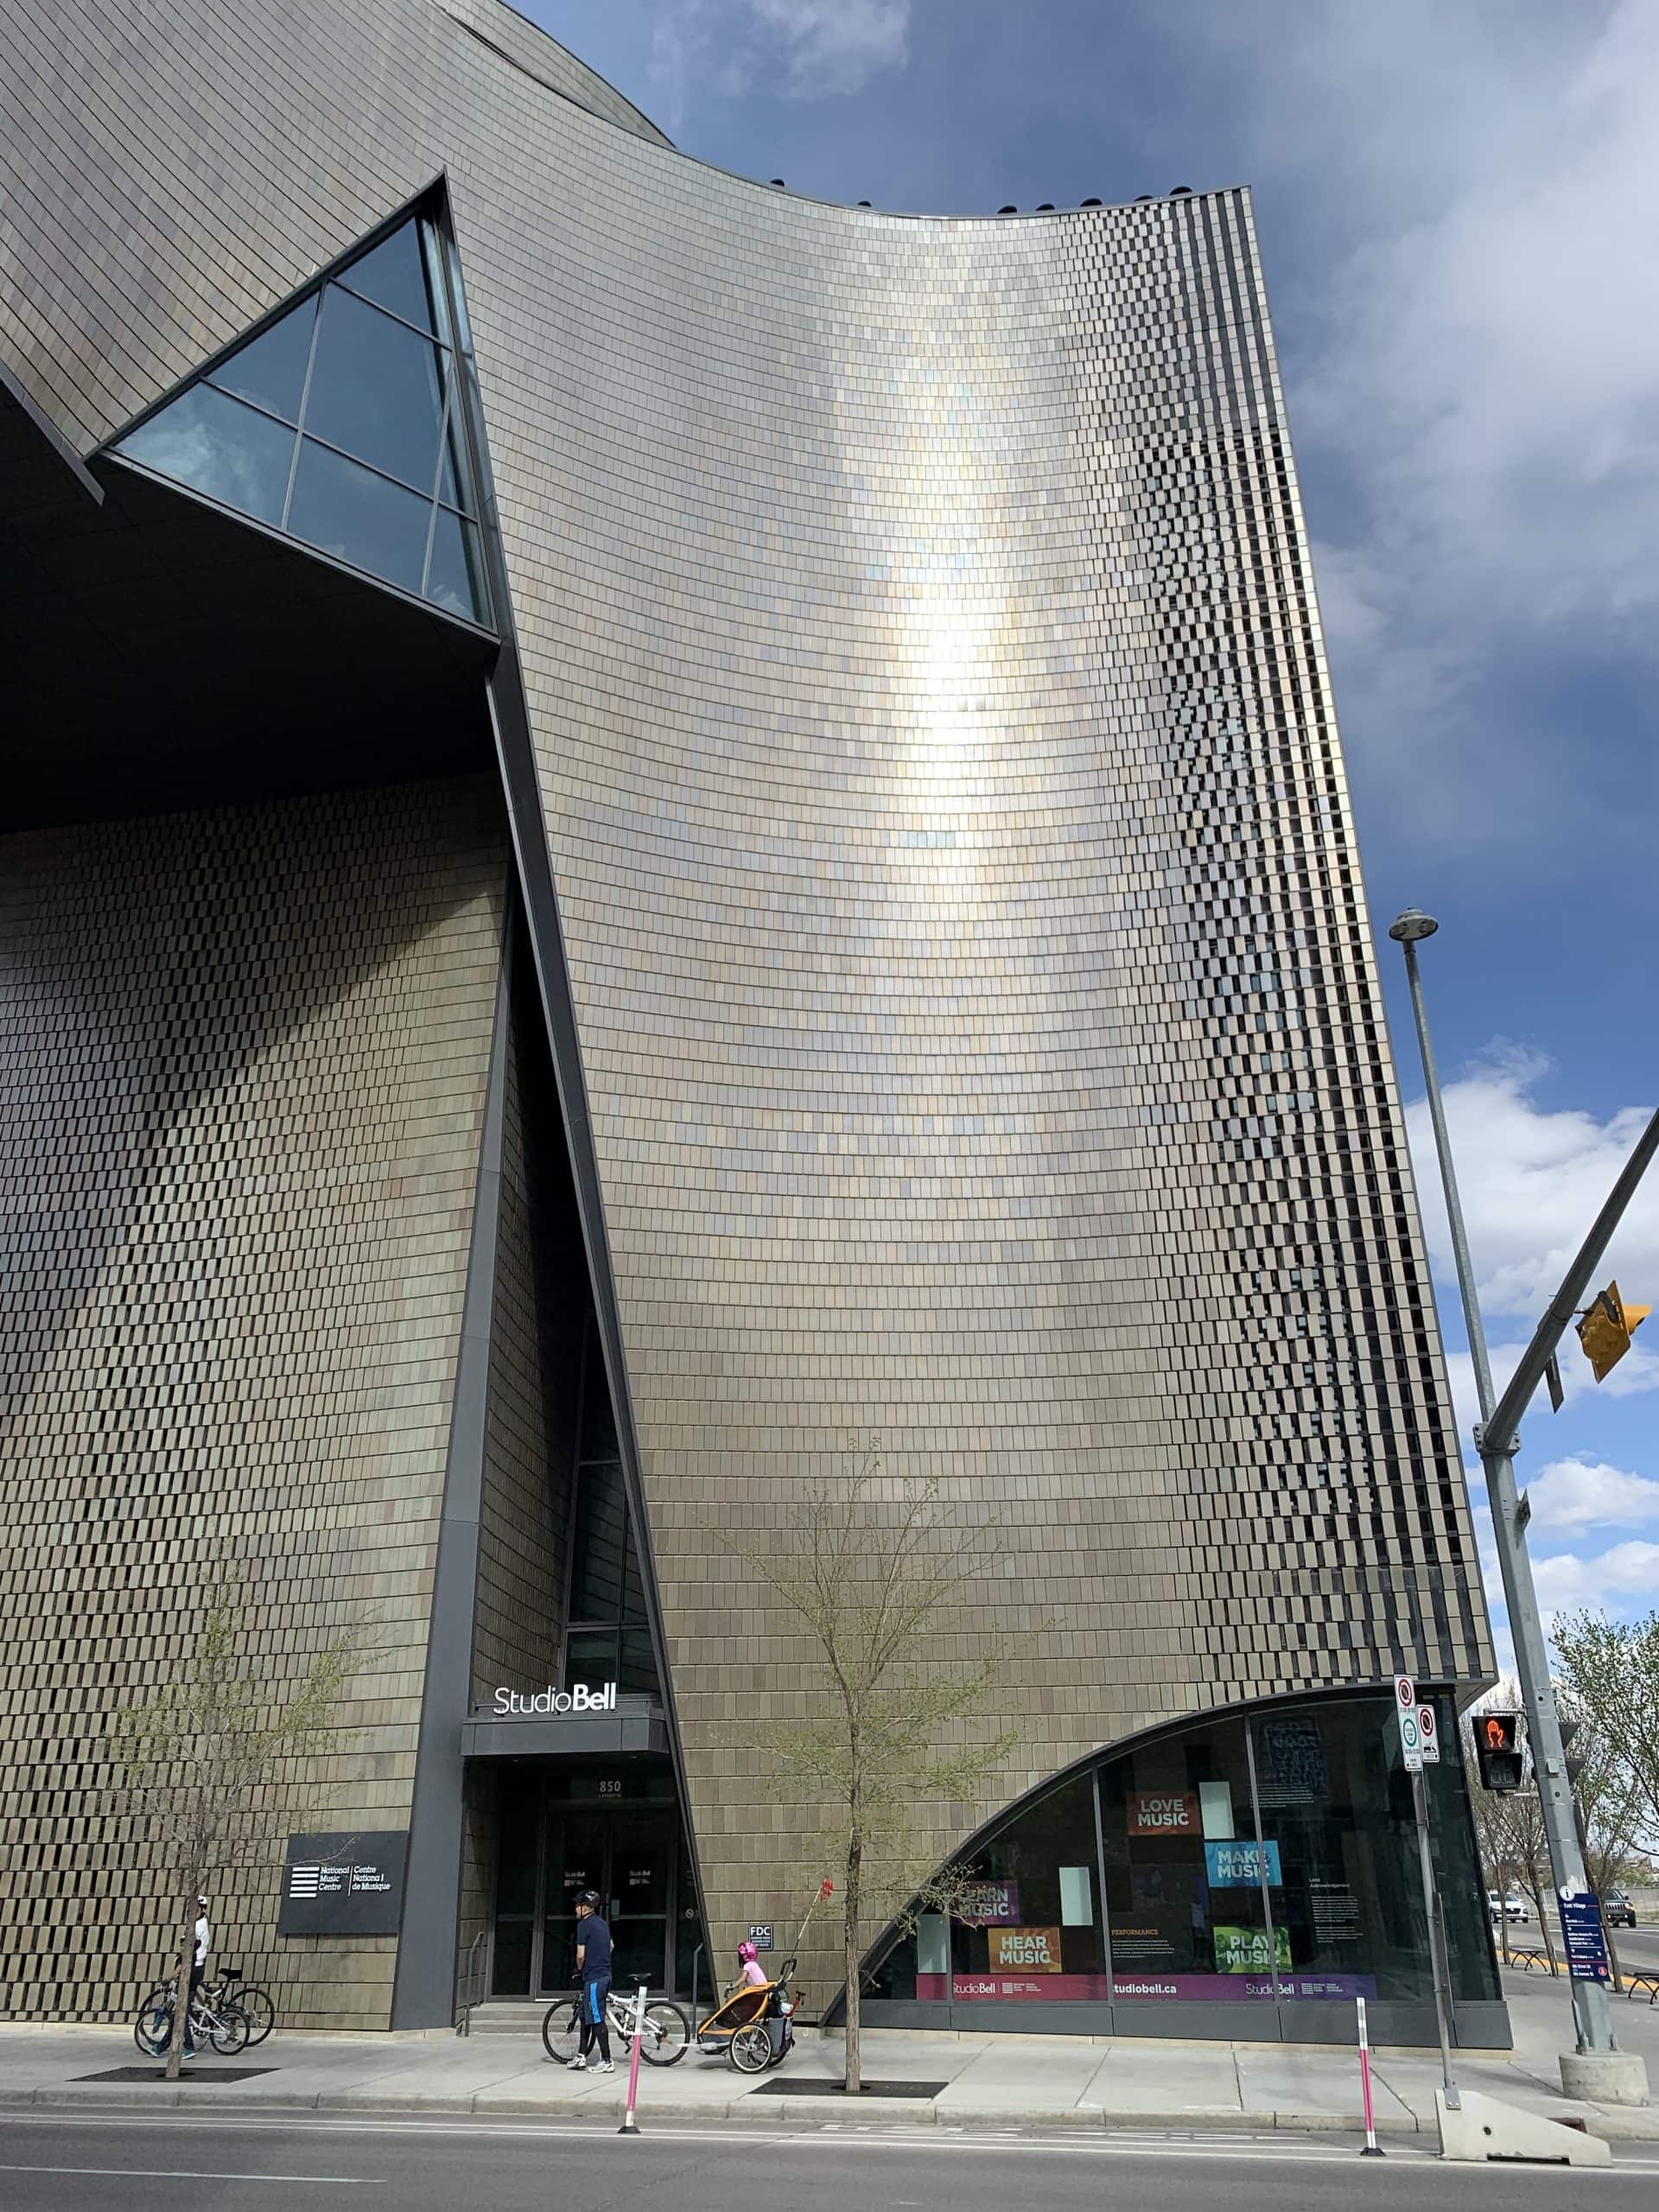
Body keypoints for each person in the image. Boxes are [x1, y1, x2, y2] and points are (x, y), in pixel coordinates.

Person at [571, 1890, 613, 2073]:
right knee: (584, 2015)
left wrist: (579, 1968)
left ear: (584, 1907)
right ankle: (581, 2056)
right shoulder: (602, 1923)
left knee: (596, 2018)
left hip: (594, 1978)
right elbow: (611, 1945)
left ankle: (607, 2060)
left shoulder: (583, 1925)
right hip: (605, 1974)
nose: (575, 1909)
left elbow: (580, 1955)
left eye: (576, 1906)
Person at [182, 1894, 210, 2058]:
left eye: (196, 1909)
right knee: (186, 2006)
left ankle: (188, 2046)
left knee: (182, 2010)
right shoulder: (200, 1923)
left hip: (193, 1968)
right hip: (197, 1967)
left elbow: (188, 1949)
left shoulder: (198, 1926)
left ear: (203, 1910)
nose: (193, 1912)